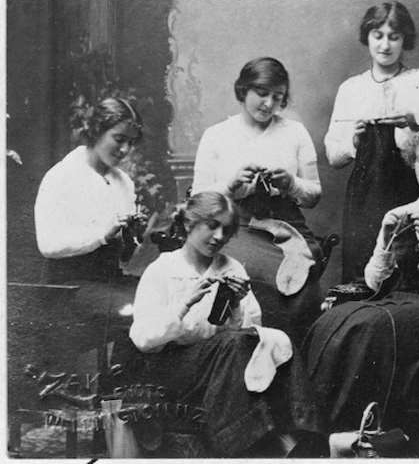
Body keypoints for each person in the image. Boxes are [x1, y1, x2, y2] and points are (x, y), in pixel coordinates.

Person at [303, 129, 419, 432]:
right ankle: (315, 426)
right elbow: (374, 282)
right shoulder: (401, 213)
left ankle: (351, 427)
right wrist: (384, 242)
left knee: (370, 326)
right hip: (399, 298)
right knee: (333, 318)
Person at [121, 191, 324, 458]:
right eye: (212, 226)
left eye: (227, 230)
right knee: (233, 343)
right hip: (168, 368)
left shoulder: (232, 268)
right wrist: (185, 304)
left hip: (220, 364)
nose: (219, 237)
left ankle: (305, 434)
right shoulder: (162, 269)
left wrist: (238, 303)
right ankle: (255, 444)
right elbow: (144, 340)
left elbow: (251, 333)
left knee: (273, 337)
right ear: (188, 223)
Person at [191, 57, 323, 344]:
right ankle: (250, 356)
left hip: (288, 224)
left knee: (303, 282)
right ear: (244, 90)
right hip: (235, 226)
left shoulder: (295, 132)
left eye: (277, 97)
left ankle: (291, 359)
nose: (268, 104)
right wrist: (231, 185)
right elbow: (197, 198)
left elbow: (313, 195)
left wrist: (291, 183)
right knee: (251, 272)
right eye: (262, 94)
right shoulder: (217, 135)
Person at [325, 1, 419, 282]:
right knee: (363, 271)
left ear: (404, 39)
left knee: (407, 269)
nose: (385, 45)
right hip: (364, 195)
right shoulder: (351, 89)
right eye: (378, 35)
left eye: (394, 37)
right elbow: (334, 157)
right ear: (367, 37)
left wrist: (415, 125)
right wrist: (355, 142)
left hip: (410, 189)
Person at [33, 97, 145, 350]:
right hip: (69, 287)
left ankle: (129, 381)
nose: (125, 149)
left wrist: (133, 236)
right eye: (119, 139)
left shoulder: (123, 182)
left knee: (162, 298)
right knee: (140, 311)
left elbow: (125, 258)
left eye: (131, 143)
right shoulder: (62, 176)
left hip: (109, 281)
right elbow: (48, 246)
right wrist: (103, 235)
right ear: (96, 132)